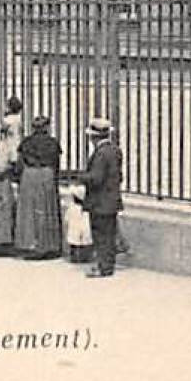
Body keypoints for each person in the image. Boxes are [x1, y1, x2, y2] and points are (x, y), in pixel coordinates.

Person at [14, 115, 63, 258]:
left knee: (28, 211)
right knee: (47, 210)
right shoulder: (52, 143)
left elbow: (19, 164)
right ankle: (48, 245)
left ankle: (29, 244)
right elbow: (56, 164)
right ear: (47, 127)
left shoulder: (26, 142)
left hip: (29, 175)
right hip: (46, 174)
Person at [81, 116, 123, 278]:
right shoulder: (115, 150)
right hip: (112, 198)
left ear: (93, 137)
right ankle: (108, 264)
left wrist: (82, 178)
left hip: (99, 200)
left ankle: (103, 266)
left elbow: (96, 178)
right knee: (109, 233)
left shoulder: (100, 154)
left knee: (100, 234)